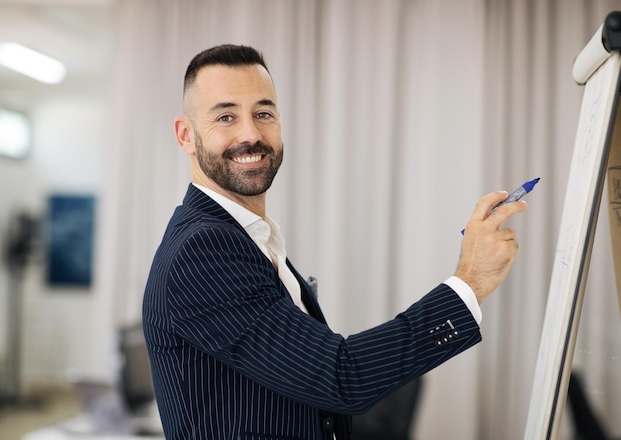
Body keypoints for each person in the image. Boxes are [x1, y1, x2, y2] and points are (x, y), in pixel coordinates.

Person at [142, 44, 528, 440]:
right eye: (226, 116)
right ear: (186, 135)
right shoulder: (203, 252)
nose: (251, 134)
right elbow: (341, 378)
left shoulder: (248, 237)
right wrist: (470, 281)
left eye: (263, 113)